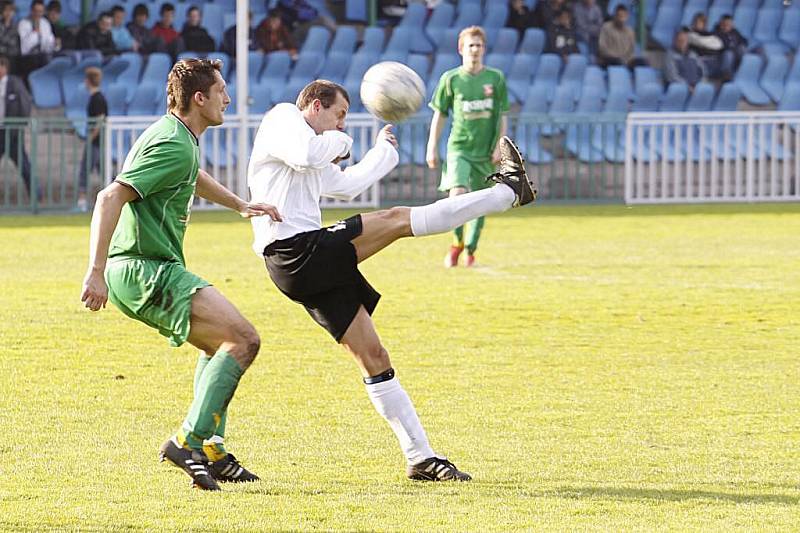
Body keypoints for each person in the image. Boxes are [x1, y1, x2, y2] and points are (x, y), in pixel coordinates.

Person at [247, 79, 534, 482]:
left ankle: (420, 457)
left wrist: (384, 151)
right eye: (339, 115)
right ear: (314, 105)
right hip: (293, 251)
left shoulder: (312, 152)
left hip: (306, 260)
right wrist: (343, 145)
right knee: (398, 219)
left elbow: (345, 187)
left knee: (375, 357)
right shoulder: (284, 118)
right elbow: (306, 153)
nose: (342, 125)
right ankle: (507, 193)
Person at [79, 58, 282, 491]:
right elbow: (109, 196)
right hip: (141, 268)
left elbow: (193, 175)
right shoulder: (173, 142)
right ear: (199, 98)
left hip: (152, 266)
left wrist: (240, 204)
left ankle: (212, 450)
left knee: (218, 345)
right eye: (222, 91)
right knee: (243, 340)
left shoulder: (179, 138)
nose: (228, 98)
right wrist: (95, 271)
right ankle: (186, 442)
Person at [426, 26, 509, 268]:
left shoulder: (495, 78)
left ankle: (471, 249)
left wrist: (500, 146)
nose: (475, 49)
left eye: (479, 45)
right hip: (459, 147)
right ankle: (456, 243)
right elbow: (440, 114)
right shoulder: (450, 79)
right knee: (457, 195)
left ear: (484, 49)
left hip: (486, 150)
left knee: (481, 202)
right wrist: (432, 146)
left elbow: (503, 115)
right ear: (461, 49)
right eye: (470, 45)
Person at [0, 54, 33, 199]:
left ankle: (36, 197)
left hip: (12, 133)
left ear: (4, 68)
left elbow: (25, 103)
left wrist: (20, 125)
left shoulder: (15, 83)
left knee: (24, 167)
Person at [76, 67, 107, 212]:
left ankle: (81, 202)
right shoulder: (97, 97)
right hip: (98, 142)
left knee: (85, 170)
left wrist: (91, 137)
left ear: (88, 81)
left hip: (95, 142)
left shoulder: (97, 98)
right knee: (103, 172)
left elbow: (100, 120)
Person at [17, 0, 57, 80]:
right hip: (28, 58)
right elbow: (24, 48)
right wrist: (35, 32)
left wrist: (55, 43)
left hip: (43, 55)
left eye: (40, 12)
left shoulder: (45, 23)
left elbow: (49, 43)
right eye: (36, 11)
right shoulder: (23, 24)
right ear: (31, 11)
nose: (38, 14)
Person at [687, 13, 724, 81]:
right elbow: (699, 41)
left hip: (711, 60)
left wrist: (705, 43)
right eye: (696, 22)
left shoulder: (710, 34)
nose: (698, 24)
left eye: (701, 22)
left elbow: (719, 44)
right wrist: (709, 42)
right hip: (698, 59)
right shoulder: (690, 34)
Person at [715, 14, 747, 80]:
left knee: (742, 48)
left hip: (735, 53)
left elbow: (743, 40)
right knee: (728, 54)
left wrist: (740, 44)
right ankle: (726, 75)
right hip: (723, 55)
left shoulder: (735, 32)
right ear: (721, 24)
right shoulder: (717, 33)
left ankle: (742, 69)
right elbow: (722, 46)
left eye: (729, 24)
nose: (727, 26)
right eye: (724, 24)